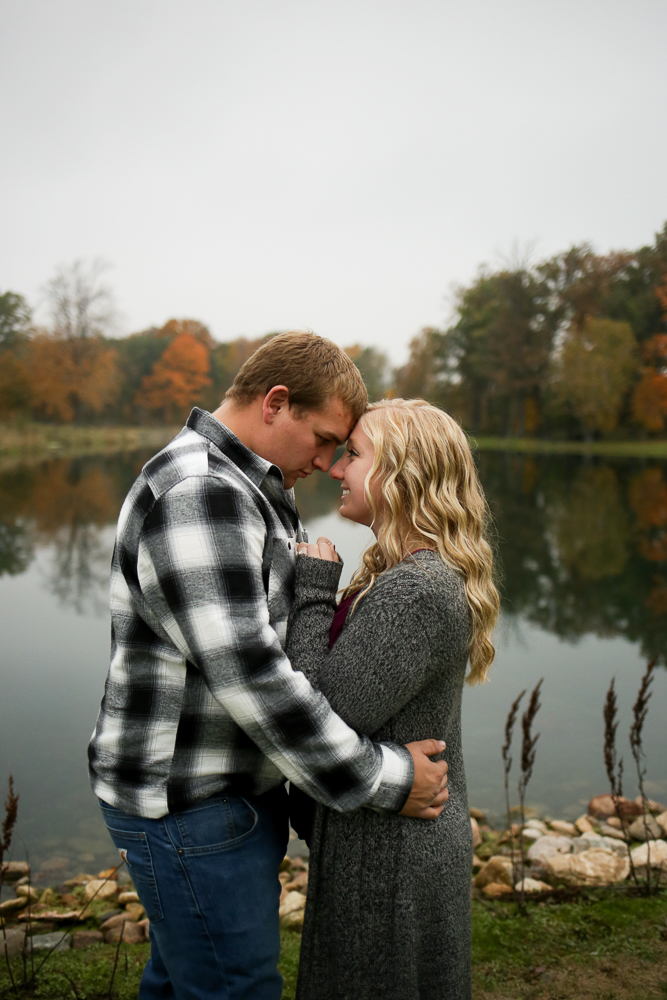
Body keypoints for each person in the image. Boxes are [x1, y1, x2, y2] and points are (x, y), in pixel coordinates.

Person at [88, 333, 450, 1000]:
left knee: (183, 983)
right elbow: (252, 677)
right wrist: (386, 777)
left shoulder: (253, 485)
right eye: (322, 438)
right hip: (190, 801)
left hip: (227, 795)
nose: (327, 460)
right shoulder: (200, 492)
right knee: (237, 987)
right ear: (276, 403)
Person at [286, 397, 500, 1000]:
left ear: (401, 475)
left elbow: (319, 713)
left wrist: (311, 593)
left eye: (353, 455)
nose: (335, 468)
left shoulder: (416, 588)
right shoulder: (404, 572)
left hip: (394, 860)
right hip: (390, 840)